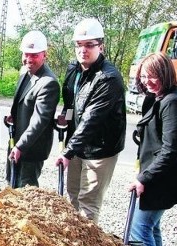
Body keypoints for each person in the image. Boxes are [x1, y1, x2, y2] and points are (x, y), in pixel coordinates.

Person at [129, 52, 177, 246]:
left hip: (163, 178)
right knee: (152, 227)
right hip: (158, 174)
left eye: (152, 76)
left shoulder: (173, 102)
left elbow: (171, 149)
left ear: (166, 74)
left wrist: (144, 177)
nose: (147, 81)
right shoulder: (160, 97)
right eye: (144, 76)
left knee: (140, 228)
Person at [55, 18, 126, 224]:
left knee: (88, 203)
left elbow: (91, 119)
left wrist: (68, 151)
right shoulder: (74, 70)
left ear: (100, 47)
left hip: (100, 150)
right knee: (72, 195)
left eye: (89, 45)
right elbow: (70, 103)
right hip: (78, 144)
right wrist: (63, 120)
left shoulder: (108, 78)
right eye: (79, 45)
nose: (83, 50)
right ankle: (73, 244)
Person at [6, 31, 59, 188]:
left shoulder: (48, 82)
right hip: (16, 142)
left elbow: (39, 121)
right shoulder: (25, 73)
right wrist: (13, 115)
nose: (29, 59)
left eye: (34, 55)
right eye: (26, 54)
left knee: (26, 192)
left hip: (30, 149)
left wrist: (20, 146)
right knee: (11, 186)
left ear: (44, 55)